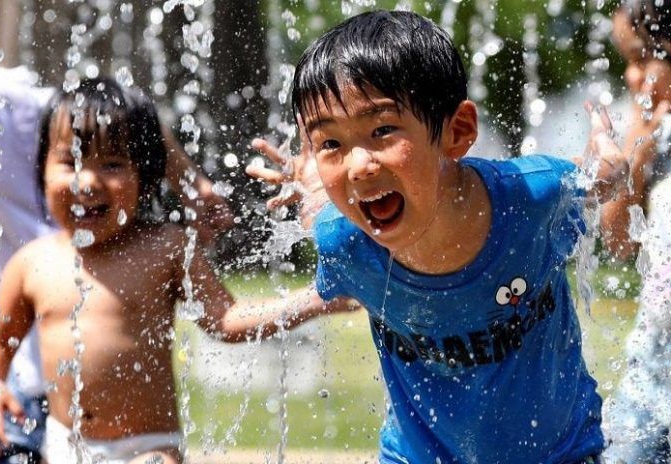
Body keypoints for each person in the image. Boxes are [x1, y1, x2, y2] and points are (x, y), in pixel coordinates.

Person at [246, 10, 651, 463]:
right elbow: (323, 220)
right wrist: (312, 192)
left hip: (561, 453)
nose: (358, 166)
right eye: (331, 144)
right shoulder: (345, 242)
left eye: (382, 130)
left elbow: (589, 187)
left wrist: (607, 170)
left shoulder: (530, 199)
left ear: (457, 131)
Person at [0, 78, 351, 463]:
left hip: (150, 449)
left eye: (112, 164)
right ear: (41, 170)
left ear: (147, 175)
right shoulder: (32, 262)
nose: (87, 181)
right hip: (64, 446)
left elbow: (225, 319)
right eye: (70, 162)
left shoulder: (166, 247)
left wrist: (318, 299)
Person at [599, 0, 671, 462]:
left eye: (643, 56)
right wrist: (636, 152)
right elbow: (618, 242)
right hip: (651, 373)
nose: (631, 76)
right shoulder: (656, 140)